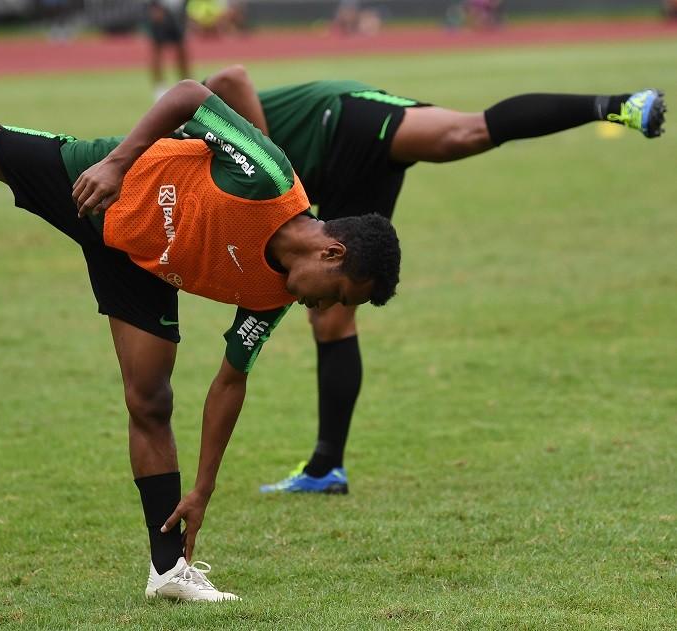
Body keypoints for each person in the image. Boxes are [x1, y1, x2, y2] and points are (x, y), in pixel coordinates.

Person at [0, 33, 401, 601]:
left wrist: (202, 489)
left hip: (140, 264)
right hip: (94, 180)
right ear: (331, 250)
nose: (326, 308)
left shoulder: (275, 292)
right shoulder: (267, 176)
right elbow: (186, 95)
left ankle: (168, 567)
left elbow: (230, 382)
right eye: (339, 291)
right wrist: (117, 162)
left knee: (149, 400)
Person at [202, 65, 666, 495]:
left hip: (342, 120)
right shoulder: (200, 170)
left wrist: (270, 165)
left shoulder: (206, 129)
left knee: (467, 133)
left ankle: (617, 105)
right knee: (332, 320)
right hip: (333, 182)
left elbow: (229, 77)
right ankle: (326, 469)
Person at [146, 0, 191, 101]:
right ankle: (159, 87)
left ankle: (187, 84)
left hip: (178, 9)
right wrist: (154, 6)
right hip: (160, 6)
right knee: (157, 48)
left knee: (181, 48)